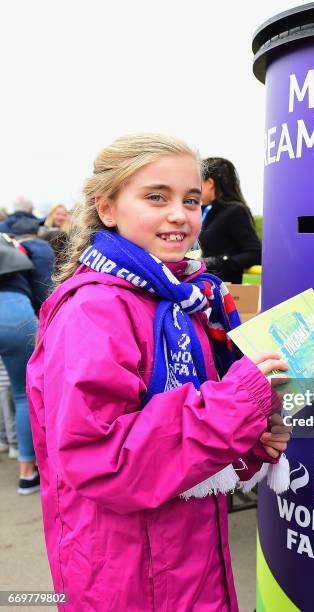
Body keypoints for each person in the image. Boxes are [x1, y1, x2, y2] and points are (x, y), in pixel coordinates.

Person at [26, 133, 291, 611]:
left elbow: (180, 443)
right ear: (107, 208)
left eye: (191, 200)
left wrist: (248, 441)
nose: (179, 214)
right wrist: (240, 402)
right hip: (127, 572)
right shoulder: (95, 310)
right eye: (156, 197)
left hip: (188, 560)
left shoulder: (179, 301)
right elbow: (103, 457)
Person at [0, 233, 41, 493]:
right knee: (23, 393)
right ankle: (27, 473)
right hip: (12, 308)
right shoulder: (24, 247)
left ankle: (9, 444)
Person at [199, 157, 261, 283]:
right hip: (207, 287)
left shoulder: (236, 211)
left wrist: (219, 262)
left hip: (226, 291)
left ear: (210, 183)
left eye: (198, 183)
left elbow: (255, 254)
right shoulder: (208, 211)